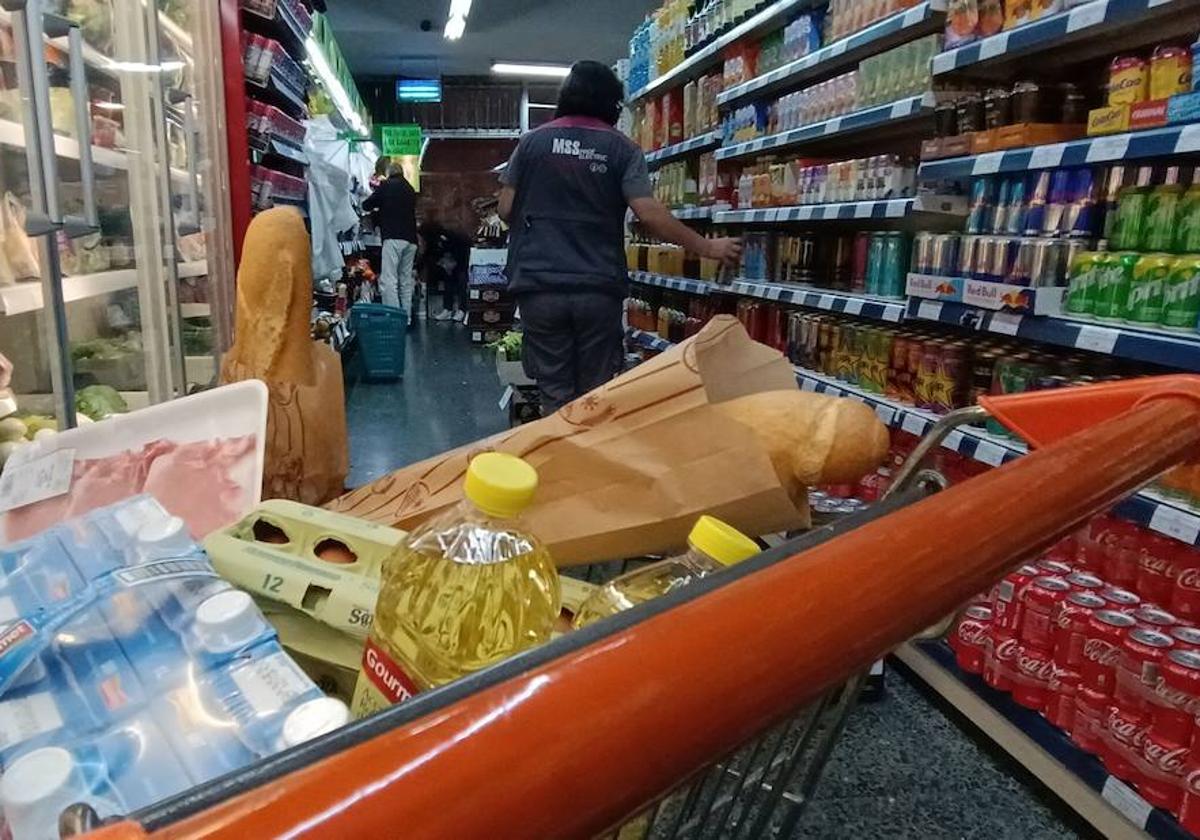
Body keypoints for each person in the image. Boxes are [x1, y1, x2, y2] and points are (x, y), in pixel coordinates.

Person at [498, 60, 741, 413]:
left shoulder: (532, 143)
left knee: (555, 392)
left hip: (540, 284)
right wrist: (708, 247)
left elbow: (506, 209)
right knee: (594, 396)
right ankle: (593, 461)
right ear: (611, 102)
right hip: (597, 287)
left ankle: (560, 461)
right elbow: (648, 213)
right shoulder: (622, 149)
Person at [363, 162, 418, 317]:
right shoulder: (410, 189)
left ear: (389, 173)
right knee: (405, 281)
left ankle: (394, 318)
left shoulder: (386, 186)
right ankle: (406, 317)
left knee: (389, 280)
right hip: (411, 240)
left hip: (393, 237)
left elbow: (367, 204)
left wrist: (376, 210)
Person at [420, 216, 472, 322]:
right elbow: (431, 254)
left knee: (461, 279)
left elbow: (464, 252)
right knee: (448, 279)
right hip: (448, 262)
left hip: (462, 262)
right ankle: (447, 309)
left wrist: (453, 263)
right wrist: (442, 263)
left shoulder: (457, 236)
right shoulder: (434, 239)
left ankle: (462, 309)